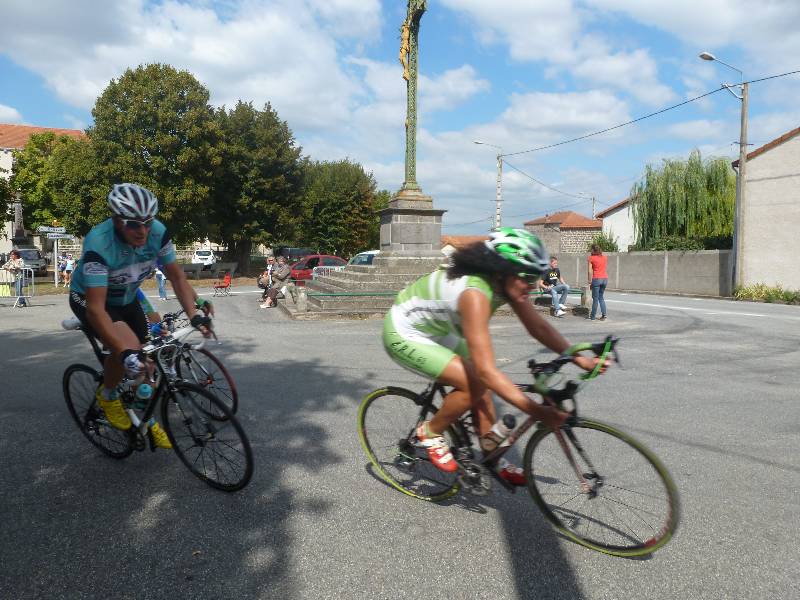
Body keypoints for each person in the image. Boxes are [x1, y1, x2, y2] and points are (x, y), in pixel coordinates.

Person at [382, 228, 606, 485]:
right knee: (477, 381)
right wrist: (537, 411)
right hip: (405, 330)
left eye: (537, 276)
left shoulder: (507, 282)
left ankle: (492, 454)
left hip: (440, 328)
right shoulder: (475, 295)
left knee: (482, 387)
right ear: (502, 270)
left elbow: (539, 327)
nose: (533, 284)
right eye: (528, 277)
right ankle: (430, 431)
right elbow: (487, 372)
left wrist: (579, 358)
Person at [68, 183, 214, 449]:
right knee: (127, 350)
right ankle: (108, 395)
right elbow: (96, 308)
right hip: (92, 301)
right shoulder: (98, 243)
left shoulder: (158, 233)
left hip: (128, 298)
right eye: (133, 224)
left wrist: (194, 315)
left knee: (149, 361)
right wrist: (123, 353)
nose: (143, 231)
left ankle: (143, 420)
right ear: (115, 220)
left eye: (148, 222)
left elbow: (176, 277)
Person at [588, 244, 608, 321]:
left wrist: (589, 281)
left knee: (595, 299)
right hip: (605, 279)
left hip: (596, 279)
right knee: (601, 297)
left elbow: (589, 271)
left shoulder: (591, 258)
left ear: (593, 250)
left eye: (591, 249)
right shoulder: (604, 257)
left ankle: (592, 316)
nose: (590, 251)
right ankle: (604, 315)